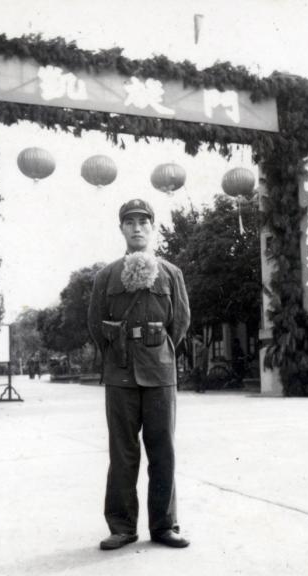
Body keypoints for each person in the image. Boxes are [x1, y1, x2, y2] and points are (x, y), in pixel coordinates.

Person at [88, 198, 191, 550]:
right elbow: (95, 323)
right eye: (129, 222)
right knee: (122, 452)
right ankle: (121, 527)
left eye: (143, 222)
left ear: (152, 227)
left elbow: (180, 322)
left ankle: (164, 526)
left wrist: (158, 349)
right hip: (120, 372)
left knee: (163, 451)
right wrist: (119, 352)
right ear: (121, 229)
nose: (137, 228)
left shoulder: (171, 273)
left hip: (160, 372)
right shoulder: (106, 276)